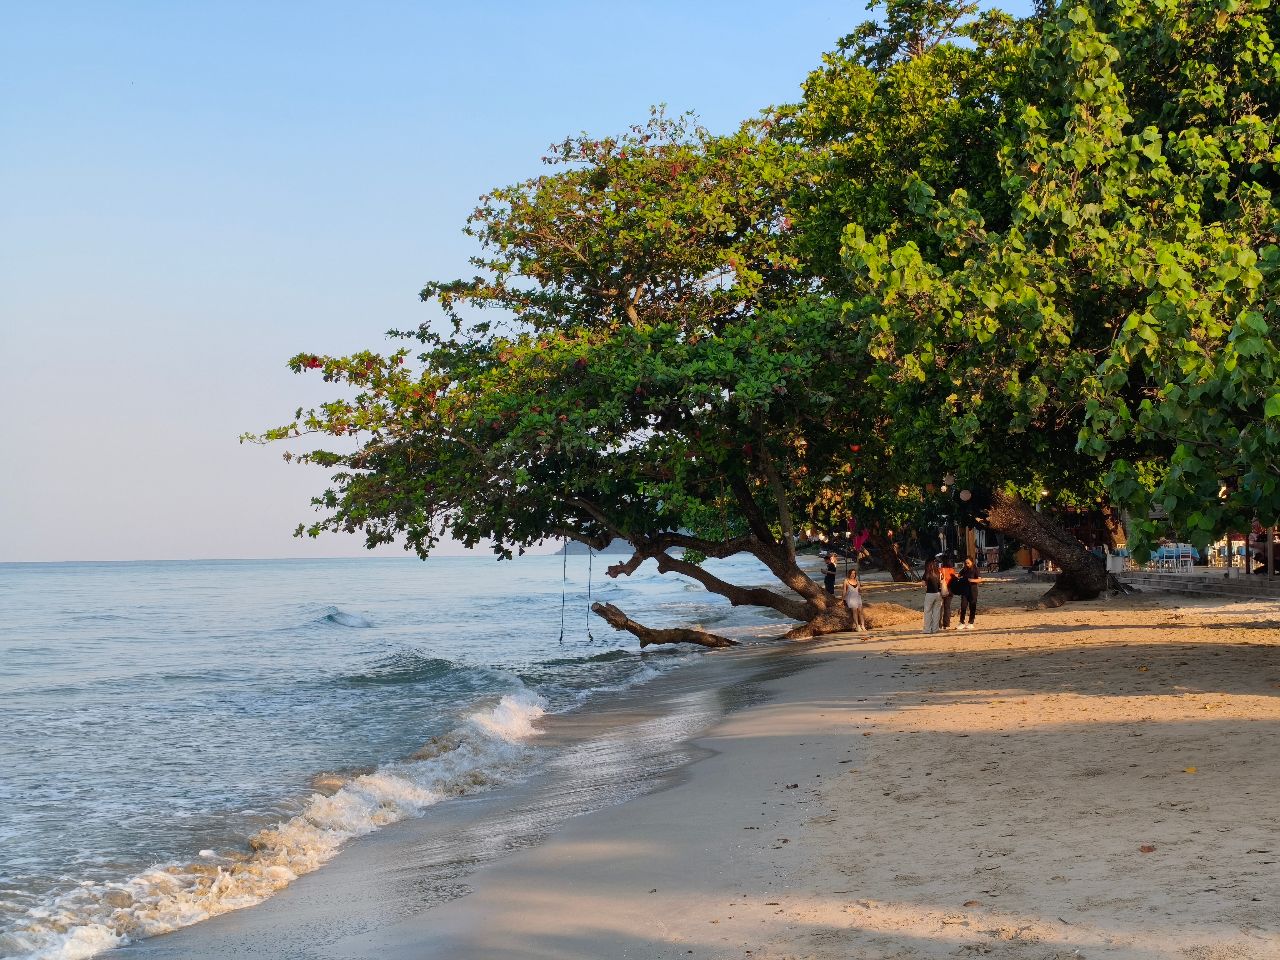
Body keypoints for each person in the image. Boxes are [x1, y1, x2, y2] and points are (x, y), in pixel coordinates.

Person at [954, 557, 982, 629]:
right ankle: (961, 622)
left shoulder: (976, 569)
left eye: (968, 563)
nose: (967, 564)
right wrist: (952, 575)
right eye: (966, 563)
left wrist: (972, 580)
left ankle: (971, 622)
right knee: (963, 606)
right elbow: (958, 575)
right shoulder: (964, 569)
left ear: (972, 562)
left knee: (972, 607)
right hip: (964, 591)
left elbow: (980, 580)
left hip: (973, 591)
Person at [842, 570, 868, 635]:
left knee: (860, 611)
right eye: (851, 573)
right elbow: (844, 591)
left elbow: (859, 590)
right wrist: (842, 599)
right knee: (854, 610)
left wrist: (862, 591)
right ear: (849, 574)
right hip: (850, 598)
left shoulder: (857, 581)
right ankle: (857, 626)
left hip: (857, 597)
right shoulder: (846, 581)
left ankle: (863, 625)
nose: (853, 575)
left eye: (854, 573)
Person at [921, 559, 943, 634]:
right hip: (938, 594)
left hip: (930, 594)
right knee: (937, 612)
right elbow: (942, 582)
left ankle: (927, 629)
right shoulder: (939, 573)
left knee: (927, 612)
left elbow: (923, 584)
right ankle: (935, 629)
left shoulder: (927, 573)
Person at [938, 553, 957, 629]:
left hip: (941, 590)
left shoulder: (940, 570)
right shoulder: (952, 570)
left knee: (939, 607)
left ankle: (939, 624)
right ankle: (946, 624)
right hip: (950, 590)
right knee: (947, 607)